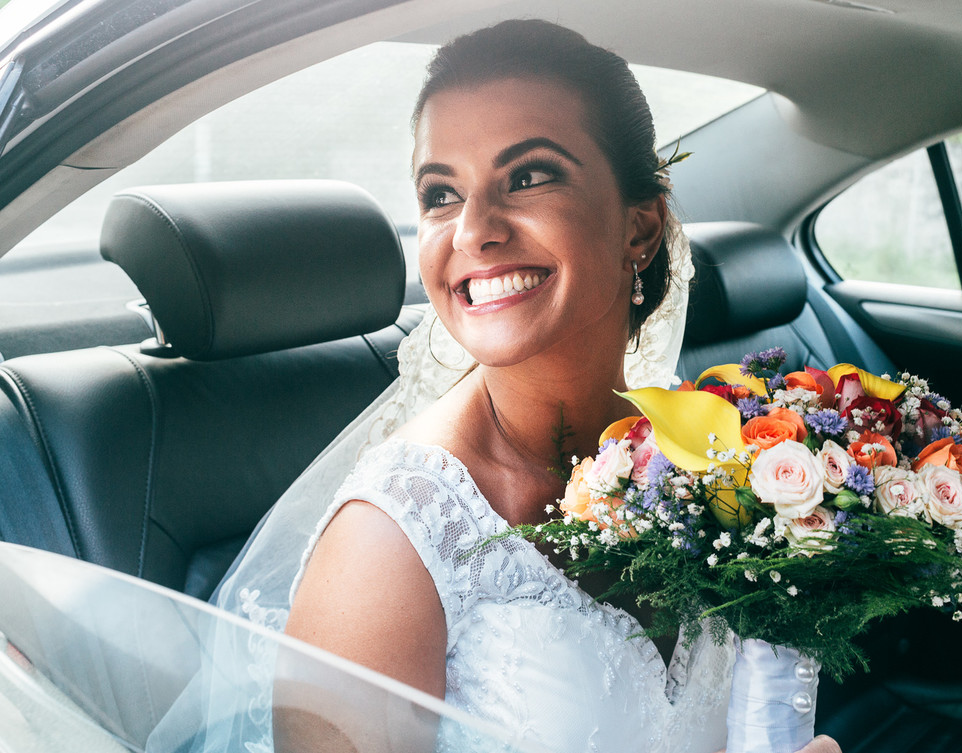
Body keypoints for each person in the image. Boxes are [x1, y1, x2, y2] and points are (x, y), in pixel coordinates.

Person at [192, 19, 841, 753]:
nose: (473, 230)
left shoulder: (707, 455)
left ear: (640, 229)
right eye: (441, 193)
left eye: (528, 176)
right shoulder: (391, 542)